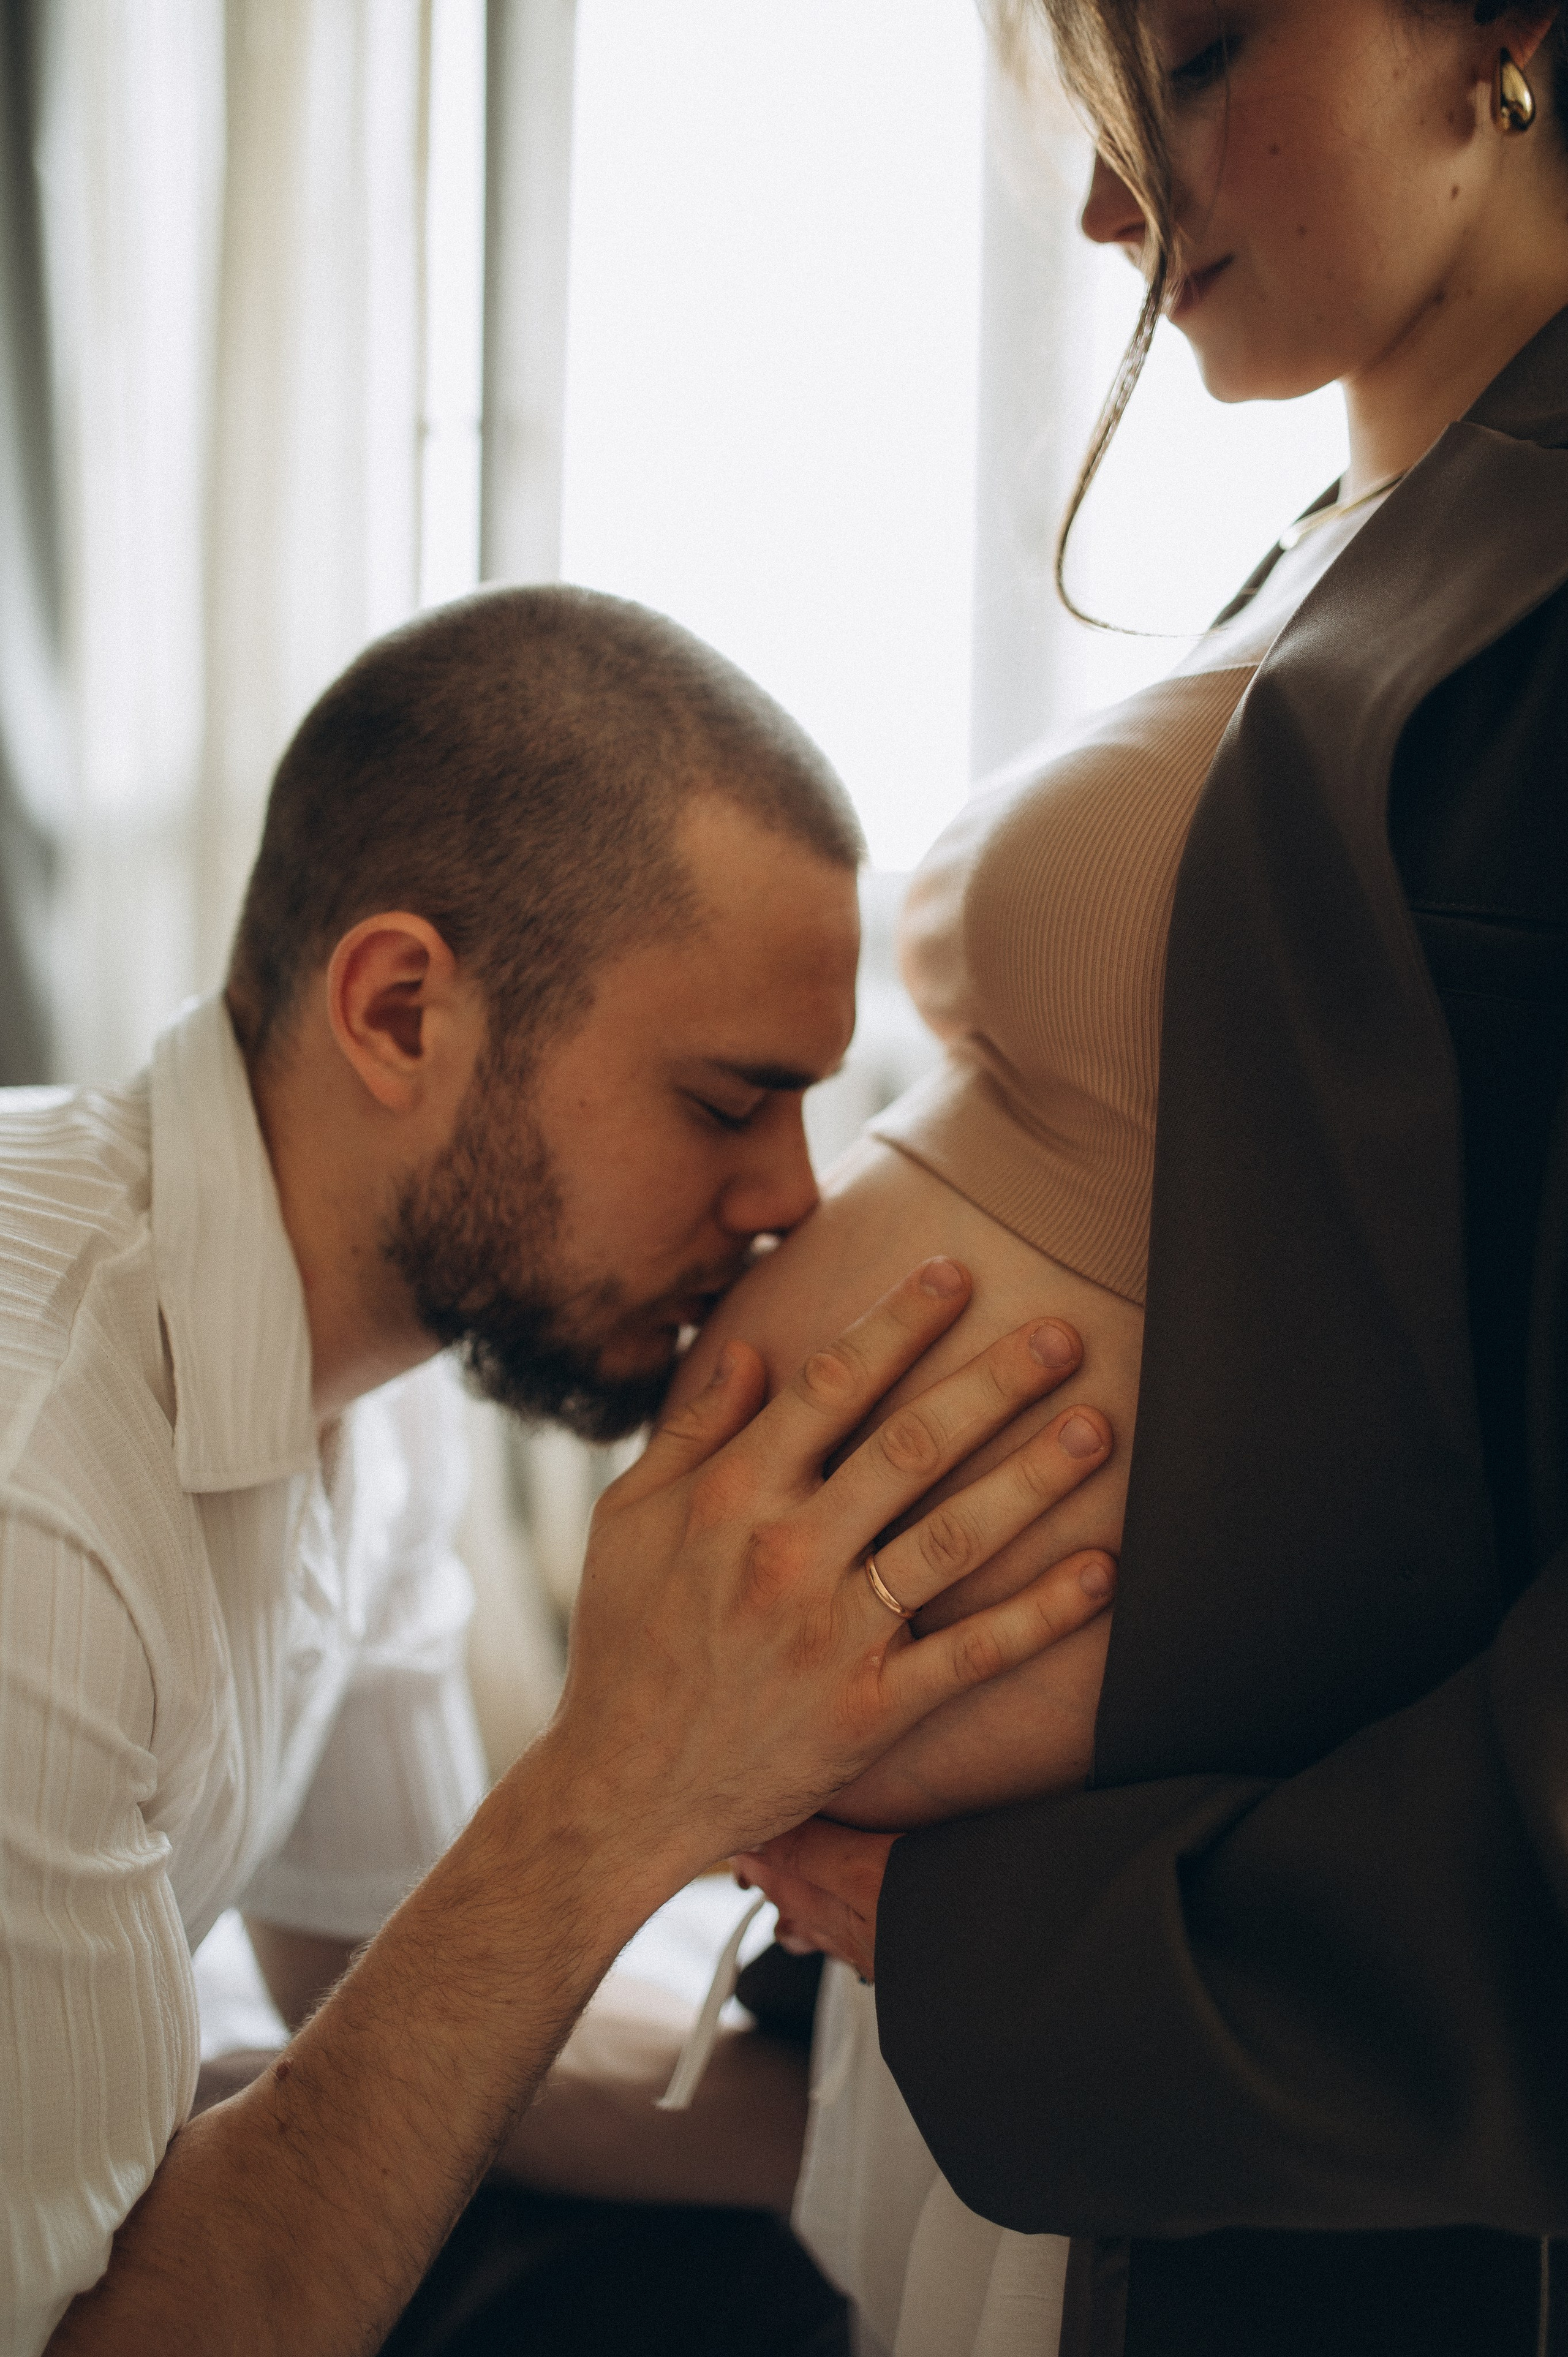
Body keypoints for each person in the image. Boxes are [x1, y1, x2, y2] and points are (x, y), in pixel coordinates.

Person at [567, 4, 1568, 2353]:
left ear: (1505, 27)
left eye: (1197, 66)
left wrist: (1048, 1954)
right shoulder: (1351, 542)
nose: (1114, 212)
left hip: (1221, 2060)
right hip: (1018, 2049)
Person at [0, 586, 1128, 2356]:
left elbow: (394, 2019)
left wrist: (993, 2130)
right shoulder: (32, 1499)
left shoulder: (379, 1387)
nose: (790, 1202)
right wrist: (626, 1777)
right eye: (723, 1101)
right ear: (398, 1012)